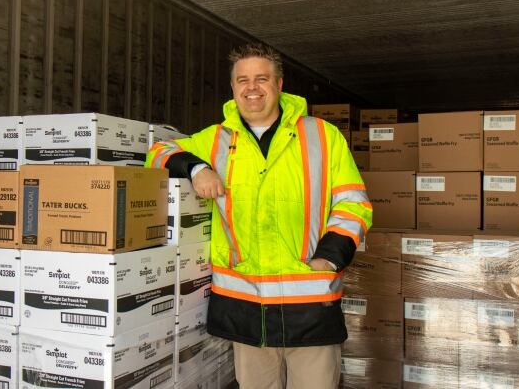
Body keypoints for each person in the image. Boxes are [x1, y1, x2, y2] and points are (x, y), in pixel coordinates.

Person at [146, 43, 372, 389]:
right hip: (246, 307)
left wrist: (329, 258)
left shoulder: (323, 136)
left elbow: (353, 202)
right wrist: (196, 168)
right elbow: (158, 152)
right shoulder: (215, 139)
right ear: (233, 88)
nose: (252, 88)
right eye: (243, 80)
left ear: (279, 85)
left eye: (262, 79)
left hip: (310, 304)